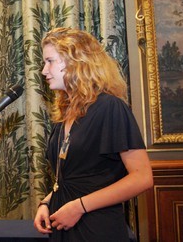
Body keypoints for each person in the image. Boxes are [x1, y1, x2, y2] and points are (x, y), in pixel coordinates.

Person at [33, 28, 153, 241]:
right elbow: (80, 179)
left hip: (96, 229)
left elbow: (142, 178)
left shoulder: (110, 107)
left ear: (77, 62)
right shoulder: (66, 113)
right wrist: (47, 202)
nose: (44, 70)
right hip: (64, 225)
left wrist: (79, 207)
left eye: (50, 61)